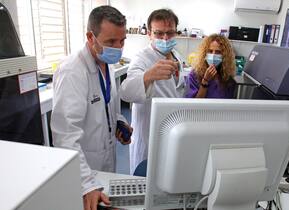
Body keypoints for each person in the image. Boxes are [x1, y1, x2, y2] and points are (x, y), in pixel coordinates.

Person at [51, 6, 132, 210]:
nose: (118, 48)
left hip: (107, 161)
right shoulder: (72, 72)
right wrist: (86, 184)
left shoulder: (107, 63)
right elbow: (65, 136)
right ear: (90, 36)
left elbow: (106, 106)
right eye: (111, 42)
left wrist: (119, 123)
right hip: (84, 172)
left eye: (122, 41)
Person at [119, 9, 185, 174]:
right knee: (145, 181)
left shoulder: (177, 56)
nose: (165, 38)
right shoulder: (142, 58)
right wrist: (149, 76)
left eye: (170, 33)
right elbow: (126, 91)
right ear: (149, 34)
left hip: (174, 130)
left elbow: (179, 89)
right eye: (159, 33)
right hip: (150, 133)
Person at [184, 34, 236, 98]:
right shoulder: (194, 75)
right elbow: (193, 105)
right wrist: (205, 81)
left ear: (224, 55)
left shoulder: (226, 77)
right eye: (210, 51)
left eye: (218, 52)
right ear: (205, 53)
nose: (213, 55)